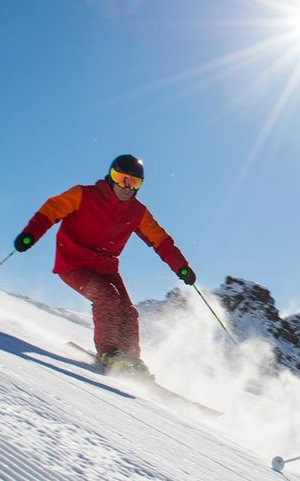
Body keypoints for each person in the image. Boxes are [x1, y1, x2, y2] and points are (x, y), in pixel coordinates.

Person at [13, 154, 195, 376]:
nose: (127, 187)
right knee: (107, 297)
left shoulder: (137, 212)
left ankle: (131, 360)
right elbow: (51, 210)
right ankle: (108, 353)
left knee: (128, 311)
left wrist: (181, 267)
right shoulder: (83, 195)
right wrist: (30, 234)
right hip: (73, 264)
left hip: (106, 268)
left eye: (134, 183)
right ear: (111, 176)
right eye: (122, 179)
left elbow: (161, 240)